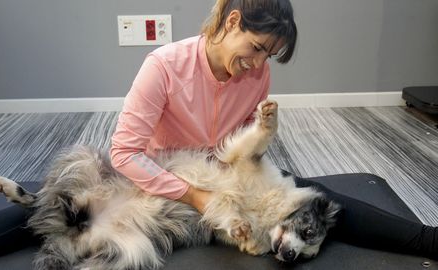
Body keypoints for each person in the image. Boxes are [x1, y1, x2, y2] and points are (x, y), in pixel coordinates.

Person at [110, 0, 437, 260]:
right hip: (174, 183)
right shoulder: (163, 67)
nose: (259, 64)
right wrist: (198, 197)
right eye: (256, 47)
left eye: (270, 54)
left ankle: (429, 240)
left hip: (229, 176)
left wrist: (250, 162)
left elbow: (238, 144)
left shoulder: (257, 75)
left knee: (317, 204)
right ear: (232, 21)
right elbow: (124, 154)